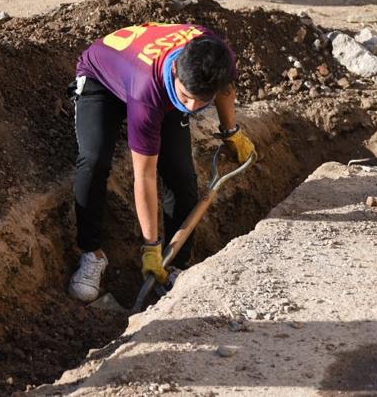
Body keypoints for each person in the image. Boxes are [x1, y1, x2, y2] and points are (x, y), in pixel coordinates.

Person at [66, 22, 255, 303]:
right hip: (103, 79)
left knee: (181, 175)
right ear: (177, 71)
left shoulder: (216, 57)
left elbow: (224, 89)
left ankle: (176, 264)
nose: (192, 108)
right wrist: (150, 246)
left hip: (160, 86)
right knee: (94, 161)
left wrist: (231, 132)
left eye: (201, 100)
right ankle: (91, 253)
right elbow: (144, 176)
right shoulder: (148, 92)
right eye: (188, 98)